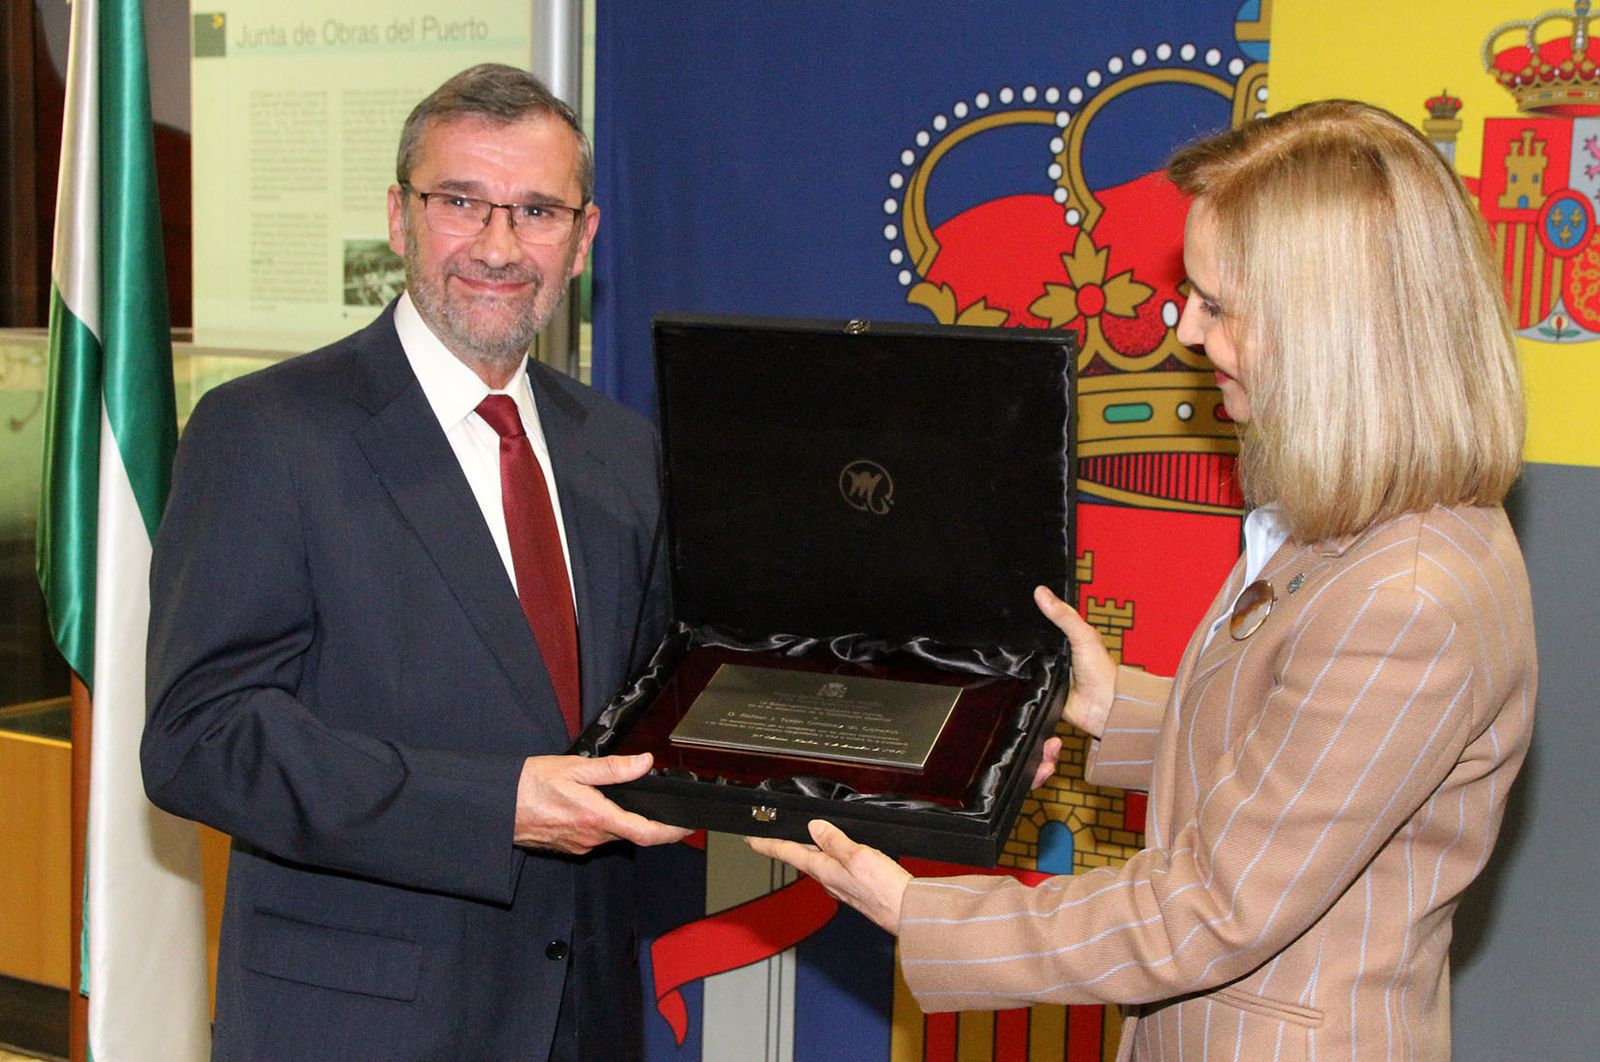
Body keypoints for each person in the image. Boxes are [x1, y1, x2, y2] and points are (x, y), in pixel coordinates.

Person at [751, 99, 1535, 1061]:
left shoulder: (1405, 592)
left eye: (1218, 304)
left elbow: (1213, 906)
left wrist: (923, 910)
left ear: (1331, 330)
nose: (1187, 331)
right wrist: (1110, 703)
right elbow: (1292, 745)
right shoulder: (1364, 521)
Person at [142, 64, 688, 1061]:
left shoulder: (621, 450)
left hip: (582, 1017)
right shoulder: (266, 432)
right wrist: (495, 807)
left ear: (582, 239)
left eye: (534, 210)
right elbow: (198, 737)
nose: (496, 244)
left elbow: (662, 701)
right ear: (399, 217)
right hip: (360, 1023)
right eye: (460, 202)